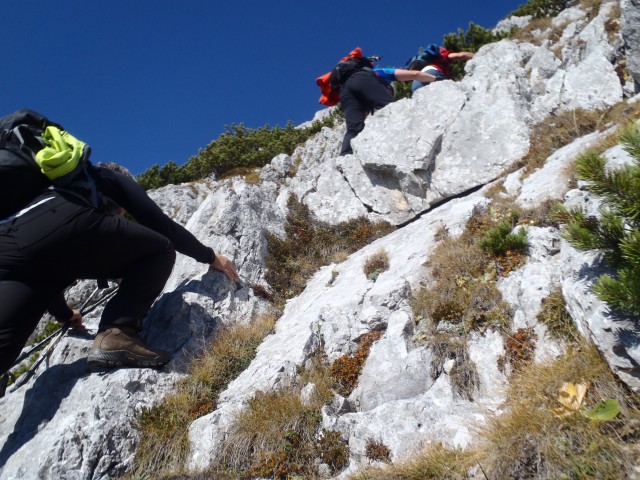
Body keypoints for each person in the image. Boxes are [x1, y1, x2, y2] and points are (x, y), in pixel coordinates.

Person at [0, 113, 239, 373]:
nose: (123, 216)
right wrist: (210, 257)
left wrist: (65, 316)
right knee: (159, 249)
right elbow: (162, 226)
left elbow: (46, 274)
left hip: (9, 245)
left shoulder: (44, 190)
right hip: (65, 224)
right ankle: (118, 333)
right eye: (124, 212)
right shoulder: (105, 176)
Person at [338, 53, 439, 156]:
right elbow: (415, 75)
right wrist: (436, 78)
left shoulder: (366, 95)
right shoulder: (379, 73)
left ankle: (345, 156)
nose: (389, 94)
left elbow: (360, 119)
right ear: (389, 87)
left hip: (344, 90)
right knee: (393, 108)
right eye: (391, 92)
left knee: (353, 129)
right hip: (361, 79)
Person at [408, 45, 474, 93]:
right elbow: (460, 55)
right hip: (432, 74)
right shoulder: (441, 54)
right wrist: (479, 55)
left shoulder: (425, 61)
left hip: (416, 83)